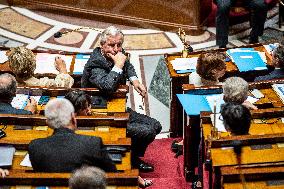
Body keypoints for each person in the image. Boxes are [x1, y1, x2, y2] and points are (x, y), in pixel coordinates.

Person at [81, 26, 162, 172]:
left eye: (119, 45)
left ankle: (131, 156)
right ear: (102, 45)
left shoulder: (118, 52)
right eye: (111, 45)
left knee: (155, 126)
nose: (116, 49)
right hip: (102, 114)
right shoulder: (95, 65)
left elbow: (128, 65)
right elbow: (107, 86)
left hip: (119, 107)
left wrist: (135, 80)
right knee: (147, 132)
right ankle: (129, 159)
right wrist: (118, 64)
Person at [28, 98, 116, 173]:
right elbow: (112, 173)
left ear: (48, 123)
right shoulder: (93, 143)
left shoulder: (34, 146)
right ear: (73, 118)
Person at [7, 46, 74, 87]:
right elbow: (64, 85)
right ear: (33, 65)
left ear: (11, 66)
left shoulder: (7, 83)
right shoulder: (42, 84)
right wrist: (62, 68)